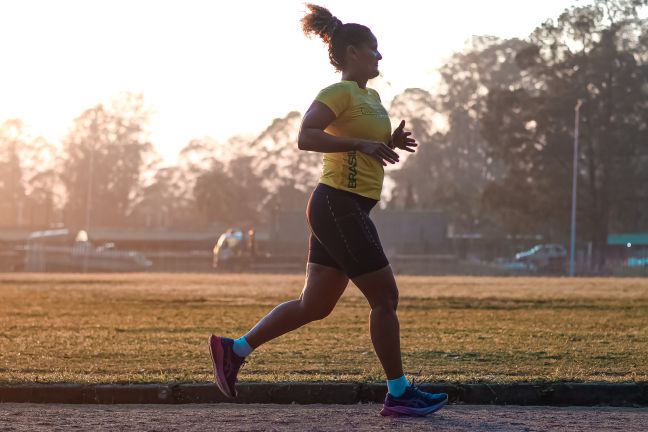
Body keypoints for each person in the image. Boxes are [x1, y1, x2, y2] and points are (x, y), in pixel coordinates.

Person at [208, 3, 448, 417]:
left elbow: (362, 145)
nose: (380, 56)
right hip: (337, 205)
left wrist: (386, 141)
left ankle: (234, 350)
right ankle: (399, 393)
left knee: (314, 305)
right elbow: (306, 136)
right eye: (374, 48)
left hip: (342, 207)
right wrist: (360, 144)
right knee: (385, 297)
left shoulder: (369, 97)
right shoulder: (336, 92)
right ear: (353, 51)